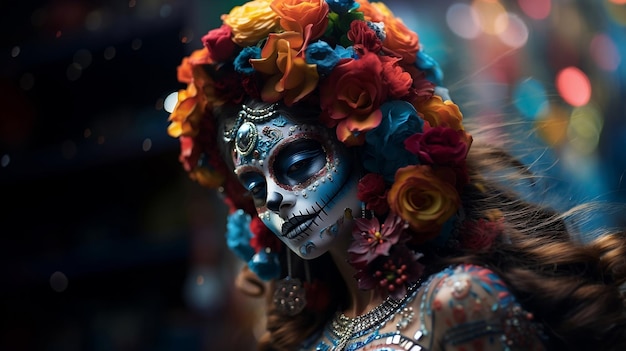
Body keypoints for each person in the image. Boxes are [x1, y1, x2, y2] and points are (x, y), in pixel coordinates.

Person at [166, 0, 626, 350]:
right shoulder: (306, 335)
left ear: (370, 147)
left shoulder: (456, 302)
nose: (275, 200)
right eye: (254, 187)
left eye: (298, 164)